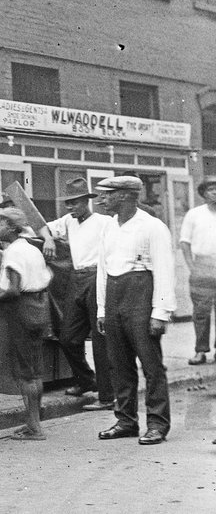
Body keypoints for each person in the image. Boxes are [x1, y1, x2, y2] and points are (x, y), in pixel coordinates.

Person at [94, 176, 176, 446]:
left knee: (151, 365)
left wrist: (160, 312)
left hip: (141, 294)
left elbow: (164, 269)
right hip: (115, 294)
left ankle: (157, 424)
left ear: (126, 196)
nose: (102, 200)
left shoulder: (152, 227)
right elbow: (103, 270)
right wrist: (102, 309)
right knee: (118, 363)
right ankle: (126, 420)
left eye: (107, 195)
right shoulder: (108, 227)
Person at [46, 178, 114, 410]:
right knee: (68, 337)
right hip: (77, 277)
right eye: (67, 203)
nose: (70, 208)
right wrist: (47, 239)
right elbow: (43, 227)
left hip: (98, 276)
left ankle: (107, 396)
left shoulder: (104, 221)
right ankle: (86, 380)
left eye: (74, 203)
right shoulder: (67, 221)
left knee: (100, 339)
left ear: (86, 201)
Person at [0, 207, 54, 441]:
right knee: (35, 371)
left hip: (22, 311)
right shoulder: (31, 248)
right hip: (39, 308)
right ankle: (32, 422)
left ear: (12, 228)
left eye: (0, 224)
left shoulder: (14, 252)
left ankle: (34, 427)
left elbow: (13, 290)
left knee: (24, 373)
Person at [181, 176, 216, 365]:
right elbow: (184, 243)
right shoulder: (194, 214)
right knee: (201, 312)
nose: (215, 192)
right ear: (203, 193)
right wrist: (192, 267)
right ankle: (200, 351)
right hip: (201, 266)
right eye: (211, 189)